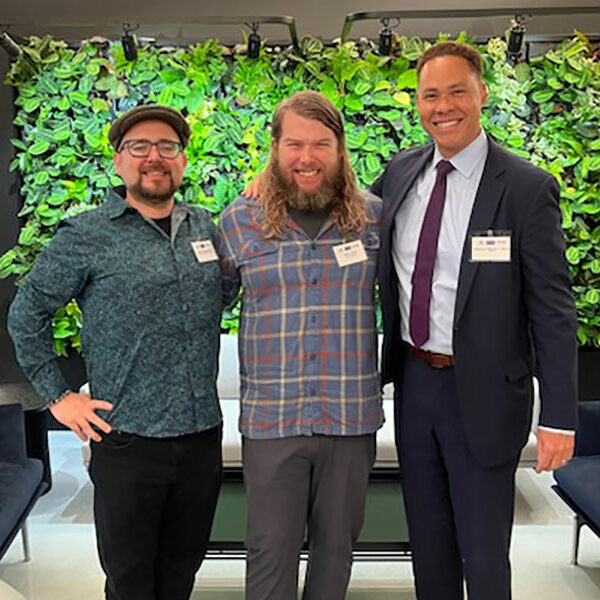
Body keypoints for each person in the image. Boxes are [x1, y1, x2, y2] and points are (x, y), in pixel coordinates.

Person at [372, 42, 577, 599]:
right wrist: (269, 186)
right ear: (417, 102)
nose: (444, 106)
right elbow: (339, 209)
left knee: (484, 556)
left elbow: (554, 309)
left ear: (482, 94)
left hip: (486, 395)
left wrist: (558, 416)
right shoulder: (400, 174)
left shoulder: (527, 188)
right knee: (429, 546)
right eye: (430, 95)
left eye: (457, 91)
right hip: (415, 387)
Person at [8, 105, 224, 600]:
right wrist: (58, 396)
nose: (154, 157)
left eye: (167, 147)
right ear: (118, 162)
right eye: (139, 147)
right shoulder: (86, 235)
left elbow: (229, 293)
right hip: (127, 442)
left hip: (200, 439)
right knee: (129, 582)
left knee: (181, 573)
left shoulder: (205, 229)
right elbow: (26, 315)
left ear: (183, 160)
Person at [219, 90, 383, 600]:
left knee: (337, 551)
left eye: (320, 144)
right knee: (270, 549)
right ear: (275, 147)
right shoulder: (237, 221)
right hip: (273, 420)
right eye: (294, 144)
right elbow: (206, 305)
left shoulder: (377, 218)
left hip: (350, 417)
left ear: (340, 150)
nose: (306, 158)